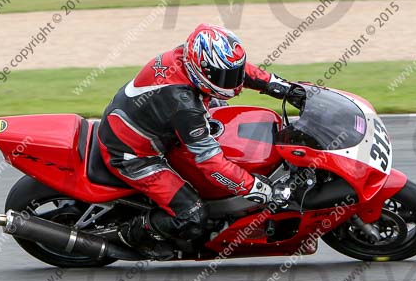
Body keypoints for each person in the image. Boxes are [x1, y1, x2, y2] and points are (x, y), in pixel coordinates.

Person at [97, 23, 298, 258]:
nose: (232, 81)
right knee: (192, 216)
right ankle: (129, 234)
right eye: (224, 76)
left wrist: (284, 88)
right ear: (200, 68)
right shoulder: (184, 103)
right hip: (133, 154)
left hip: (155, 124)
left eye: (231, 73)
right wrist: (260, 190)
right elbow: (211, 164)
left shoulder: (190, 57)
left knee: (222, 115)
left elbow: (235, 69)